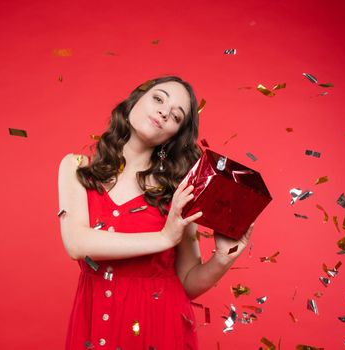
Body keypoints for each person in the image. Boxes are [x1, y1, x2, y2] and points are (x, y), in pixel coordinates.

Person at [58, 76, 254, 349]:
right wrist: (164, 238)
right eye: (158, 99)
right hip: (94, 318)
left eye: (176, 115)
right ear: (135, 100)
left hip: (160, 325)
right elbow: (77, 244)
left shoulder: (180, 190)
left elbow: (187, 282)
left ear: (174, 135)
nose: (164, 111)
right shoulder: (77, 167)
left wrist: (222, 258)